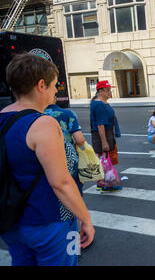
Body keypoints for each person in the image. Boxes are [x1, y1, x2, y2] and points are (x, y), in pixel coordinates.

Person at [0, 53, 94, 266]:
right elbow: (61, 183)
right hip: (51, 222)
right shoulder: (44, 124)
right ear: (41, 85)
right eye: (54, 85)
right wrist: (85, 218)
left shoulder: (2, 117)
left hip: (12, 223)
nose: (56, 91)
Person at [45, 98, 86, 195]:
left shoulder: (36, 115)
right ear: (54, 98)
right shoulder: (68, 114)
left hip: (46, 159)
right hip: (68, 159)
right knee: (73, 191)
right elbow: (80, 139)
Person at [90, 80, 122, 192]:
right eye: (108, 90)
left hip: (106, 134)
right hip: (103, 135)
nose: (110, 92)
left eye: (110, 90)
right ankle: (106, 184)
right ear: (100, 91)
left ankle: (103, 182)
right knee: (105, 160)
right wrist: (104, 142)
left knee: (105, 160)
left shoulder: (100, 102)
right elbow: (100, 125)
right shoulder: (99, 105)